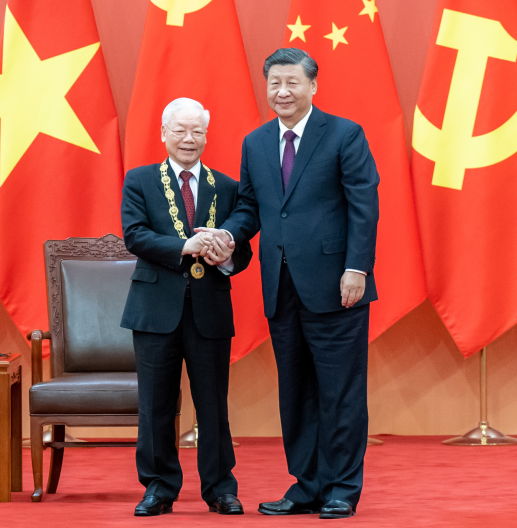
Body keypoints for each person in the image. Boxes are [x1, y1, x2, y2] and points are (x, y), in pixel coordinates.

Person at [197, 48, 379, 519]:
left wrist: (357, 268)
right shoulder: (256, 142)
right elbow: (250, 208)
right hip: (280, 286)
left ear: (312, 86)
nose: (282, 91)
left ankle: (342, 488)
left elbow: (364, 205)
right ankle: (307, 484)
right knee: (296, 392)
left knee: (340, 392)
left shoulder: (344, 134)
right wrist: (227, 236)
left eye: (292, 82)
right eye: (274, 83)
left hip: (337, 285)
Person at [120, 97, 252, 517]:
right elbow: (134, 235)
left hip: (209, 310)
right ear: (164, 133)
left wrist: (225, 256)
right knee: (155, 404)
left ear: (206, 136)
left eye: (197, 131)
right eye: (180, 130)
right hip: (154, 308)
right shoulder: (139, 180)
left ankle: (220, 489)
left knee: (213, 404)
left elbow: (243, 252)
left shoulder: (227, 187)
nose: (188, 138)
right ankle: (158, 488)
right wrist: (184, 246)